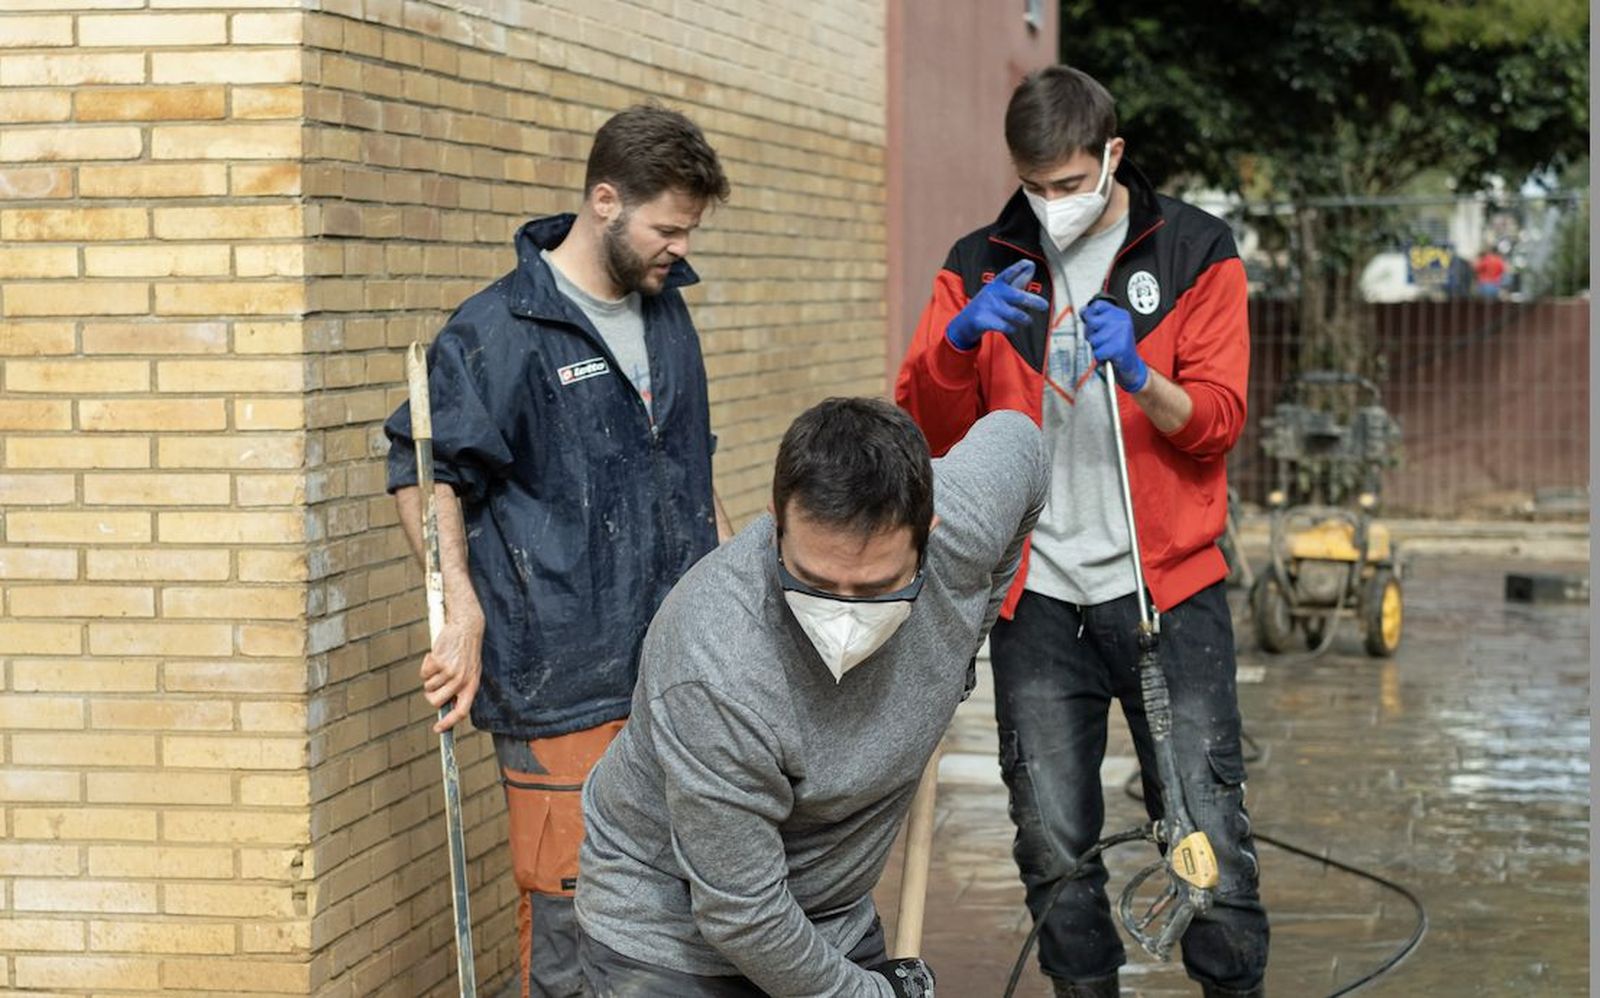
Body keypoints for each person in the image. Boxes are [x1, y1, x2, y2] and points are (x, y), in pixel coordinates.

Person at [895, 66, 1268, 998]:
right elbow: (928, 428)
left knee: (1205, 827)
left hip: (1166, 594)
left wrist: (1143, 377)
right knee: (1053, 839)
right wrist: (956, 344)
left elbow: (1219, 421)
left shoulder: (1195, 251)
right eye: (1035, 185)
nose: (1052, 203)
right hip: (1038, 599)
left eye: (1070, 183)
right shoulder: (981, 260)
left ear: (1113, 157)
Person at [384, 102, 733, 998]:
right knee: (578, 926)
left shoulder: (664, 310)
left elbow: (691, 465)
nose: (678, 248)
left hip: (678, 670)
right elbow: (423, 471)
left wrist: (735, 596)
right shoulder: (499, 331)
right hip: (561, 685)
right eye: (667, 228)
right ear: (606, 200)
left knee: (679, 912)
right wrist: (458, 604)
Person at [574, 398, 1048, 997]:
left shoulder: (964, 525)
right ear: (776, 524)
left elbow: (1021, 441)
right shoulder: (715, 664)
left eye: (876, 587)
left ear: (930, 535)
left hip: (832, 915)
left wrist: (959, 646)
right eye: (815, 583)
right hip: (673, 942)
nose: (843, 616)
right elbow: (742, 913)